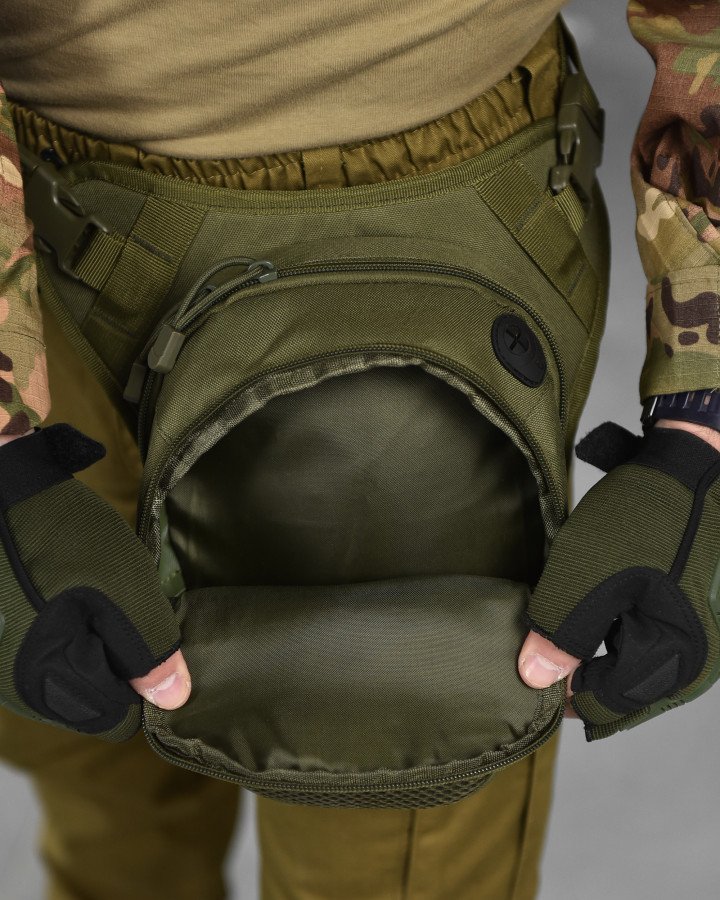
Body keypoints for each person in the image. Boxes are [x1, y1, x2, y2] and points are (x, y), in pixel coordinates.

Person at [1, 2, 719, 897]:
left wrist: (703, 416)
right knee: (91, 751)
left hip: (450, 213)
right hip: (38, 227)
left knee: (396, 834)